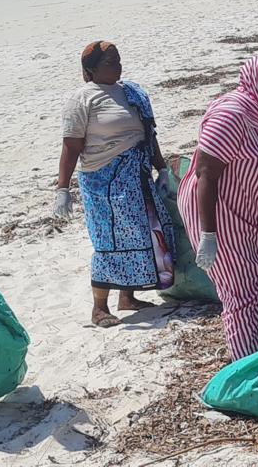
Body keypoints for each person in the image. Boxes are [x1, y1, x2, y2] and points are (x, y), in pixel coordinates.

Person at [178, 56, 258, 361]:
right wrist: (209, 235)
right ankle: (248, 365)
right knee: (241, 293)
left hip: (250, 216)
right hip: (220, 216)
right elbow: (206, 174)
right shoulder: (231, 115)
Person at [54, 41, 174, 328]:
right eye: (110, 62)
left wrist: (161, 167)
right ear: (91, 69)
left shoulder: (131, 92)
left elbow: (149, 134)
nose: (117, 66)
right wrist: (62, 189)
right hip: (104, 182)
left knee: (141, 233)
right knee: (109, 240)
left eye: (118, 60)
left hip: (137, 176)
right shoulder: (81, 100)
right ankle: (99, 307)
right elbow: (71, 147)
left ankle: (127, 298)